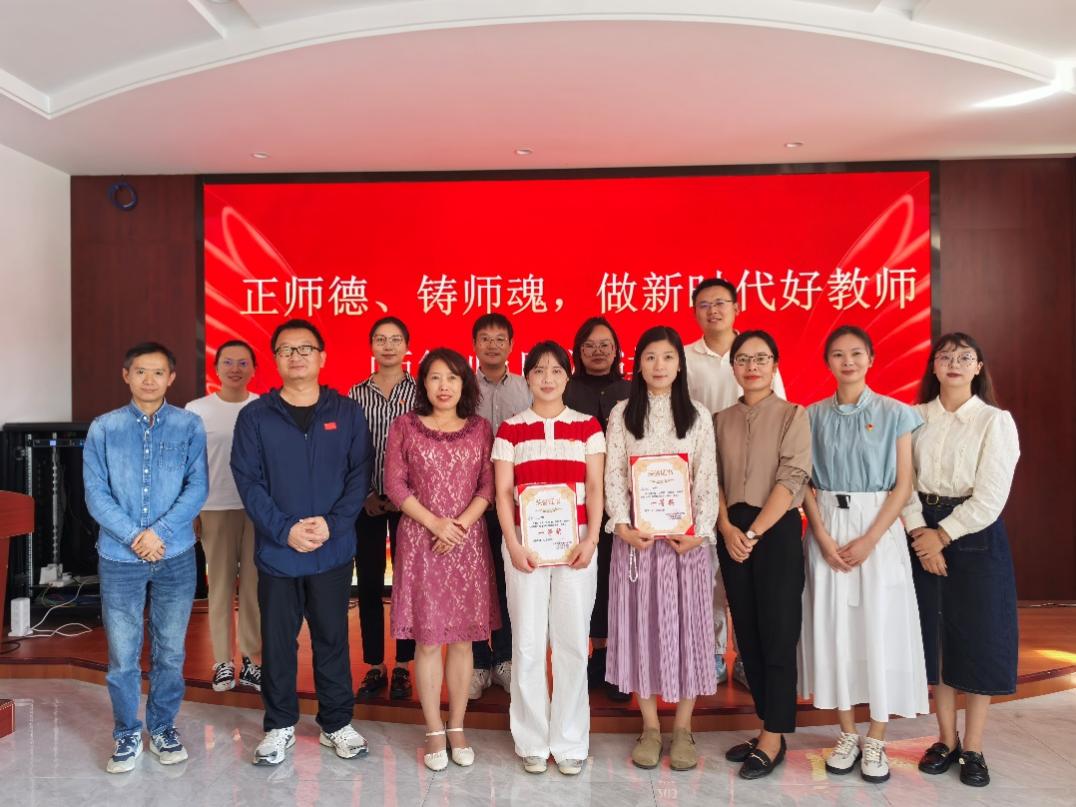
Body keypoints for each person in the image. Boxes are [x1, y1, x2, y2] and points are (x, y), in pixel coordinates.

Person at [231, 318, 373, 766]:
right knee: (278, 642)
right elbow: (248, 480)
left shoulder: (346, 412)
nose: (296, 356)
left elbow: (359, 475)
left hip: (332, 550)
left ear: (322, 357)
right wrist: (285, 529)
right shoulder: (255, 416)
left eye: (305, 349)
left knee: (332, 638)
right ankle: (279, 725)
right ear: (275, 360)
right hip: (278, 552)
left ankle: (336, 723)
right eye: (286, 350)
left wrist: (333, 524)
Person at [798, 326, 928, 784]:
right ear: (827, 362)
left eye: (856, 353)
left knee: (879, 626)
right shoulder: (810, 416)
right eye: (838, 354)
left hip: (879, 528)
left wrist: (871, 538)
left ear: (871, 358)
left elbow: (904, 484)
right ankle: (847, 733)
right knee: (836, 629)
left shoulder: (897, 414)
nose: (848, 361)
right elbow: (803, 481)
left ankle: (877, 736)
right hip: (827, 527)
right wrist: (821, 535)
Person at [83, 342, 208, 773]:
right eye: (140, 371)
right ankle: (126, 732)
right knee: (123, 654)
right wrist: (137, 536)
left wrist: (160, 533)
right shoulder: (104, 428)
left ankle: (163, 726)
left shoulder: (189, 425)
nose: (149, 380)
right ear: (126, 375)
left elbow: (197, 487)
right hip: (119, 557)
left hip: (175, 554)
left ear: (171, 378)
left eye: (158, 372)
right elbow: (95, 494)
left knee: (170, 651)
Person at [903, 332, 1020, 788]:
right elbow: (902, 481)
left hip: (975, 534)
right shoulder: (913, 417)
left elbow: (992, 495)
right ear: (933, 366)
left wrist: (943, 535)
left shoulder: (995, 421)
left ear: (978, 367)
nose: (954, 363)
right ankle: (945, 739)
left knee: (978, 637)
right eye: (945, 356)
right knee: (938, 638)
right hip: (921, 528)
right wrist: (921, 533)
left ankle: (973, 747)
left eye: (964, 357)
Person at [604, 326, 718, 772]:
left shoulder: (698, 415)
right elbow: (615, 474)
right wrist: (622, 524)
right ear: (638, 364)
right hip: (638, 542)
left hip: (684, 545)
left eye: (668, 357)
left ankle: (683, 728)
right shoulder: (622, 413)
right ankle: (650, 727)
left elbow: (706, 477)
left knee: (688, 630)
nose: (659, 366)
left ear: (680, 365)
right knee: (642, 630)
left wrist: (700, 531)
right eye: (650, 357)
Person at [384, 348, 499, 772]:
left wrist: (460, 526)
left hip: (466, 543)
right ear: (424, 384)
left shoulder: (480, 428)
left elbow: (488, 485)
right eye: (435, 378)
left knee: (464, 641)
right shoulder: (405, 426)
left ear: (464, 384)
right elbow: (395, 485)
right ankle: (433, 728)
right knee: (429, 640)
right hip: (422, 541)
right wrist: (435, 523)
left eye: (452, 378)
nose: (444, 386)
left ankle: (457, 726)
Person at [494, 341, 606, 775]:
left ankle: (571, 741)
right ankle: (532, 741)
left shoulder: (587, 427)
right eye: (538, 370)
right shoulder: (510, 430)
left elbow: (594, 488)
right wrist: (513, 543)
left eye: (556, 370)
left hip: (576, 548)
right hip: (526, 549)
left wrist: (591, 539)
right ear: (527, 377)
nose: (547, 378)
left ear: (567, 376)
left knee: (572, 643)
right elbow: (504, 492)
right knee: (527, 643)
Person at [715, 331, 810, 780]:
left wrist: (753, 531)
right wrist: (726, 528)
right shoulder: (719, 420)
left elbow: (793, 478)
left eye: (761, 358)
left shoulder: (793, 414)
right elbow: (711, 479)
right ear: (733, 367)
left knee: (778, 631)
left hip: (774, 530)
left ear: (774, 365)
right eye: (743, 359)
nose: (751, 366)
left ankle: (775, 736)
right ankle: (765, 727)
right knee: (748, 634)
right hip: (731, 531)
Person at [684, 278, 786, 688]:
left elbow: (779, 415)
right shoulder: (685, 358)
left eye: (721, 302)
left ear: (737, 307)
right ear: (695, 311)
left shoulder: (756, 354)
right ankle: (712, 652)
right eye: (704, 304)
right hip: (699, 474)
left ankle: (746, 655)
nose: (713, 310)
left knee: (747, 568)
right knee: (707, 569)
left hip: (751, 479)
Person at [348, 316, 417, 702]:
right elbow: (350, 451)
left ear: (407, 346)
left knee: (407, 585)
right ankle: (375, 664)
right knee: (370, 584)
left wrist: (404, 496)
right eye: (380, 339)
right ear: (371, 346)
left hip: (411, 505)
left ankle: (404, 665)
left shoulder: (421, 392)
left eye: (395, 339)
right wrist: (365, 495)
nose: (388, 346)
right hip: (368, 504)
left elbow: (426, 449)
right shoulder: (355, 394)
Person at [185, 339, 261, 693]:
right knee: (219, 587)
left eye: (243, 363)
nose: (235, 369)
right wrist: (192, 510)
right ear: (216, 369)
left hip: (256, 508)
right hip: (213, 508)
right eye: (228, 362)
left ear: (254, 369)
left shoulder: (263, 407)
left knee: (253, 587)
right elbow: (188, 464)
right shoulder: (197, 410)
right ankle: (222, 662)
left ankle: (251, 660)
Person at [564, 317, 631, 703]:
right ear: (578, 351)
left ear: (617, 350)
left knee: (620, 578)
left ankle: (620, 658)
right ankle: (596, 653)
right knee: (589, 578)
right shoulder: (566, 390)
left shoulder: (632, 390)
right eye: (589, 345)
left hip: (626, 504)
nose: (598, 351)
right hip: (578, 503)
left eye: (606, 344)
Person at [470, 313, 531, 699]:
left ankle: (505, 658)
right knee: (476, 584)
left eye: (499, 339)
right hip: (471, 503)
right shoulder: (462, 388)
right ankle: (478, 661)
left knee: (510, 583)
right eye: (485, 339)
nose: (492, 345)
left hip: (516, 503)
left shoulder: (527, 388)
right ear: (475, 345)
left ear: (511, 345)